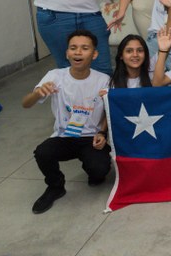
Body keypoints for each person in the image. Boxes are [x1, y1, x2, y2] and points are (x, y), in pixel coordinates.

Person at [21, 30, 111, 214]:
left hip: (91, 138)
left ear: (94, 54)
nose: (78, 52)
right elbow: (26, 104)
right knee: (42, 152)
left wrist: (102, 133)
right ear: (67, 53)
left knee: (99, 170)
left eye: (84, 48)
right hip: (64, 136)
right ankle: (55, 186)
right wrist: (38, 93)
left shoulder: (103, 80)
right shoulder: (55, 76)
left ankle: (93, 170)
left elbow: (107, 113)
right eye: (73, 48)